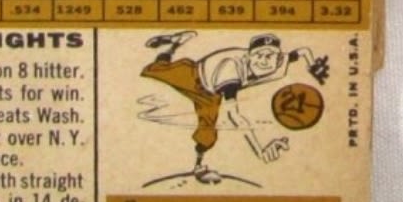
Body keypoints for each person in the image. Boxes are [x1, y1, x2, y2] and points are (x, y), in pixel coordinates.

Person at [141, 30, 329, 178]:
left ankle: (198, 167)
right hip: (194, 77)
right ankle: (172, 45)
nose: (264, 60)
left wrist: (312, 66)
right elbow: (234, 116)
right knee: (153, 70)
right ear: (249, 56)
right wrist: (260, 151)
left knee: (207, 133)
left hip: (211, 95)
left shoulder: (280, 64)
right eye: (259, 55)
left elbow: (303, 51)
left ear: (278, 57)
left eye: (270, 55)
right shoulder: (231, 69)